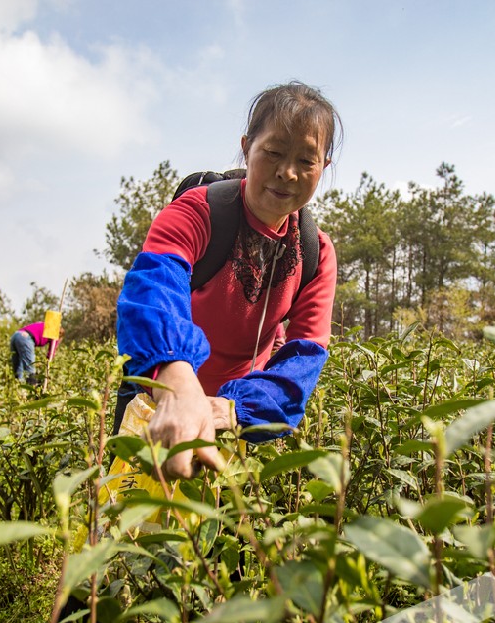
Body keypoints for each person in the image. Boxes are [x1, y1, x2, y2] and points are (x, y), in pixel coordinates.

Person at [115, 81, 342, 480]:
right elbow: (154, 290)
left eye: (306, 161)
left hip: (235, 415)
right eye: (273, 152)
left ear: (323, 167)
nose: (287, 173)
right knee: (128, 526)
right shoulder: (197, 213)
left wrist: (229, 409)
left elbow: (304, 357)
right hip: (161, 394)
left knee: (218, 534)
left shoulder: (315, 253)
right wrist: (177, 383)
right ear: (246, 147)